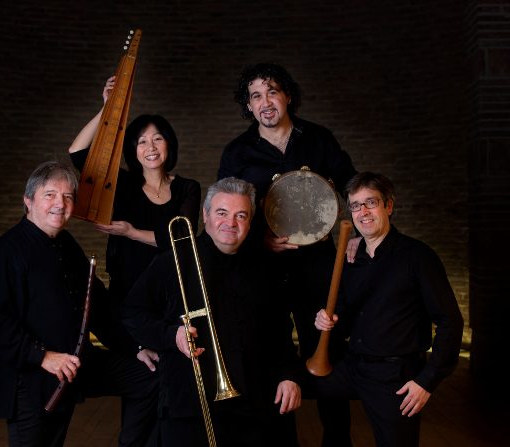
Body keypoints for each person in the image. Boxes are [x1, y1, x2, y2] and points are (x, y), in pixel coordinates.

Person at [217, 61, 357, 445]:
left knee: (326, 352)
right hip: (262, 269)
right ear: (248, 105)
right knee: (267, 355)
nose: (265, 102)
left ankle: (338, 442)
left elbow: (352, 184)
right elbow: (225, 212)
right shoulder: (237, 152)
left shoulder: (319, 138)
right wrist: (258, 242)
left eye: (272, 92)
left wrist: (359, 233)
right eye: (256, 96)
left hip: (317, 267)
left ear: (288, 95)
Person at [0, 161, 159, 447]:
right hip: (33, 377)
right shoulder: (6, 252)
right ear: (28, 201)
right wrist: (44, 357)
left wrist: (135, 347)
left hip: (78, 362)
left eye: (68, 196)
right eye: (50, 194)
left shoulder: (66, 243)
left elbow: (98, 305)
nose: (60, 204)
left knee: (150, 377)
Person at [121, 177, 302, 447]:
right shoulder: (174, 259)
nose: (231, 223)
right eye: (222, 213)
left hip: (253, 406)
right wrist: (172, 336)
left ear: (250, 222)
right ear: (205, 215)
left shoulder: (265, 269)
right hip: (188, 406)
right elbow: (132, 312)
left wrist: (289, 375)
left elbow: (280, 332)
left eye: (241, 215)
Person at [312, 172, 464, 447]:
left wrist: (427, 381)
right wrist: (327, 320)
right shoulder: (351, 259)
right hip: (352, 367)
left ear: (389, 206)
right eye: (355, 205)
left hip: (395, 376)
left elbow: (450, 322)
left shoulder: (418, 256)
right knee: (288, 384)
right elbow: (343, 317)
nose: (363, 212)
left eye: (371, 202)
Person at [69, 77, 201, 359]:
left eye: (157, 139)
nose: (151, 147)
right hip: (129, 294)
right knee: (139, 372)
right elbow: (78, 154)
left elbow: (182, 239)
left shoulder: (188, 188)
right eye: (142, 141)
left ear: (169, 144)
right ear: (133, 150)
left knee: (176, 365)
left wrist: (131, 232)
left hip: (173, 294)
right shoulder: (122, 184)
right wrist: (107, 109)